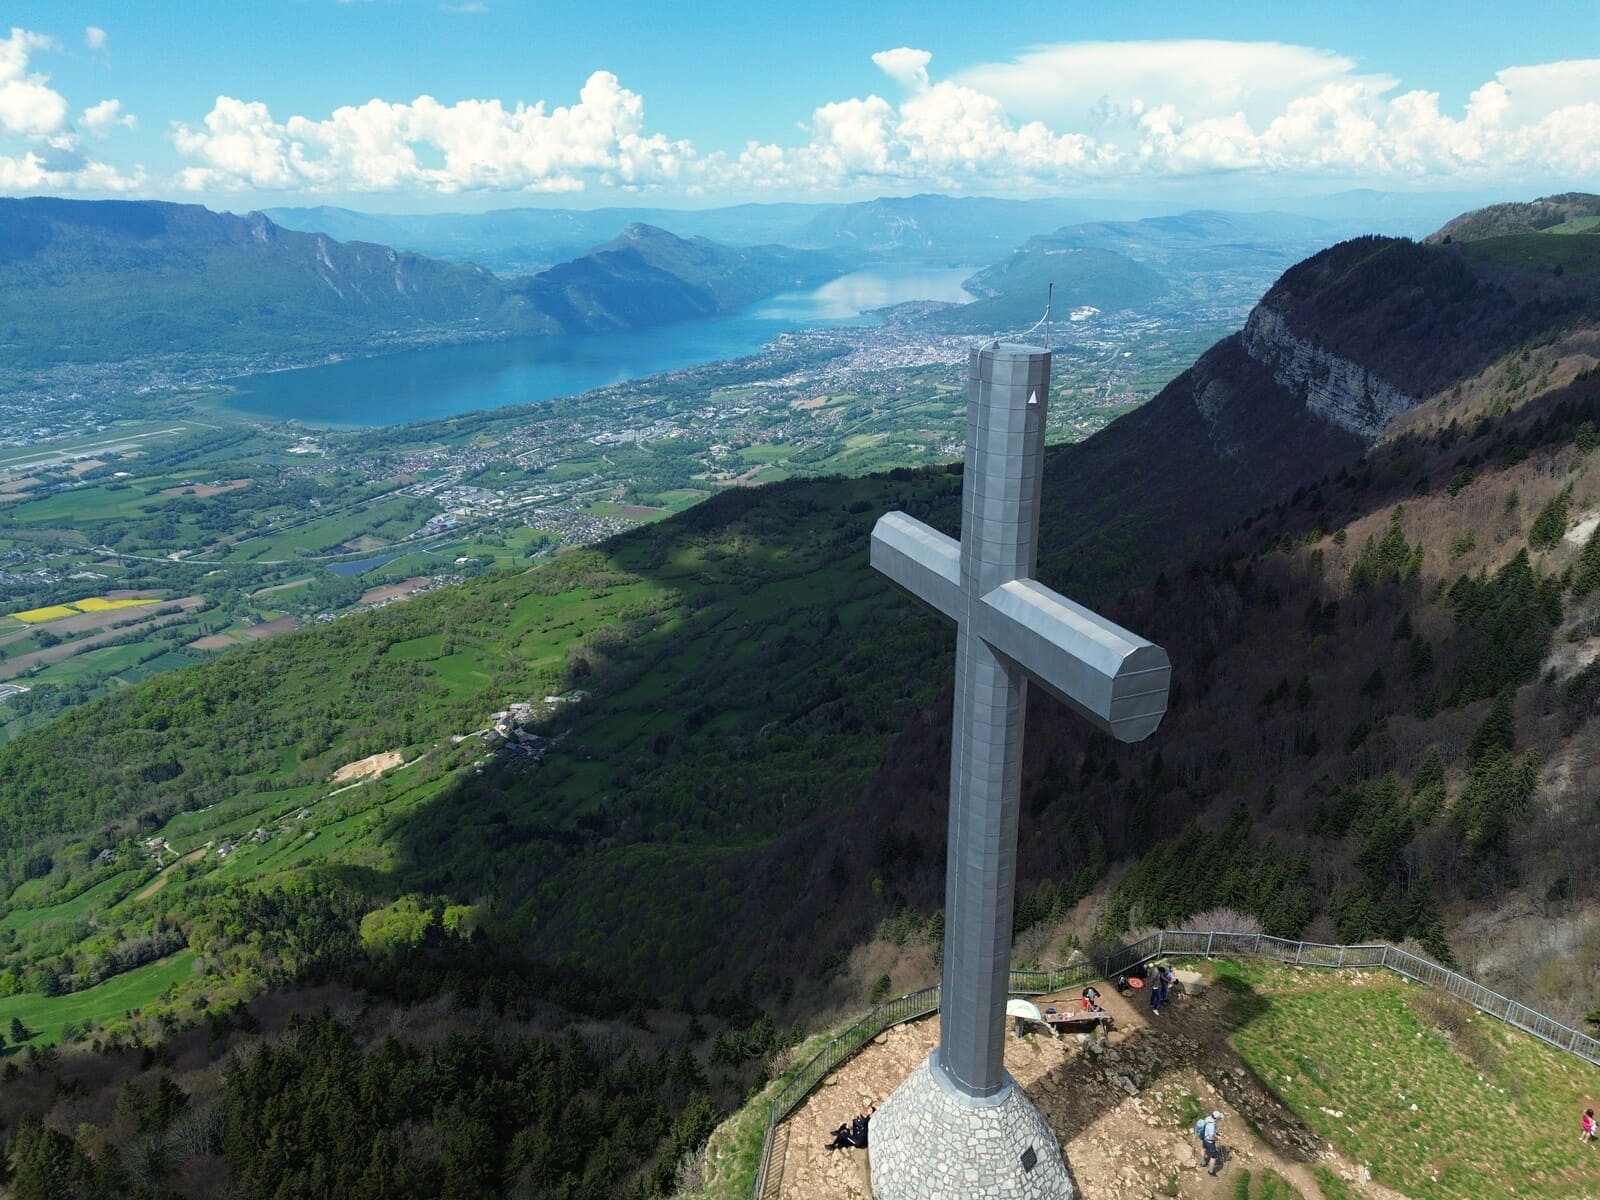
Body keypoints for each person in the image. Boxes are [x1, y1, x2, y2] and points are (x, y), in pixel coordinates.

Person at [1198, 1110, 1223, 1175]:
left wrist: (1217, 1133)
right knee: (1214, 1157)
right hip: (1209, 1142)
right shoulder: (1211, 1126)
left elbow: (1208, 1130)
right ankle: (1211, 1171)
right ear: (1216, 1118)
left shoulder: (1208, 1118)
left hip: (1204, 1138)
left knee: (1203, 1149)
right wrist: (1217, 1138)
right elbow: (1211, 1137)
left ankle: (1203, 1162)